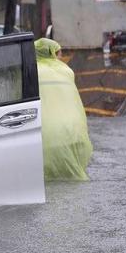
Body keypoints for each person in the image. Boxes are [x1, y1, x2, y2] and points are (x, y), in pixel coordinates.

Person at [35, 38, 93, 181]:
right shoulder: (67, 71)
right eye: (59, 53)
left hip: (44, 132)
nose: (61, 57)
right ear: (52, 53)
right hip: (72, 129)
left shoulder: (31, 71)